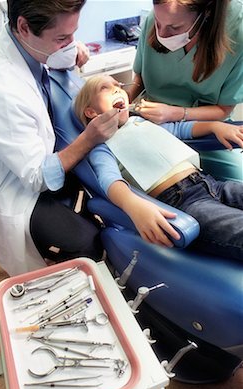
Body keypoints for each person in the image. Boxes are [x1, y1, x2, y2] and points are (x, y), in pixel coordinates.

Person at [0, 0, 122, 276]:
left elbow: (57, 50)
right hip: (19, 191)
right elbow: (38, 177)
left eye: (73, 33)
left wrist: (73, 46)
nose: (70, 43)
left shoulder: (25, 41)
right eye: (63, 38)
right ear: (24, 27)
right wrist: (89, 138)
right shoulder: (0, 91)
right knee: (91, 240)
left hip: (38, 159)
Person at [73, 75, 243, 261]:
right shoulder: (102, 146)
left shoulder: (142, 122)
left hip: (211, 184)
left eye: (119, 85)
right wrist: (132, 204)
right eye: (105, 88)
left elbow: (181, 129)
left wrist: (215, 126)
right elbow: (110, 180)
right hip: (184, 203)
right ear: (91, 112)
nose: (117, 89)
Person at [128, 0, 243, 124]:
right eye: (157, 23)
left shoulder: (237, 32)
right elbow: (140, 79)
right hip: (151, 122)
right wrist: (122, 98)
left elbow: (223, 109)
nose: (161, 34)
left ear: (206, 14)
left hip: (203, 126)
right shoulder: (162, 16)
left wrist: (175, 113)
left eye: (175, 28)